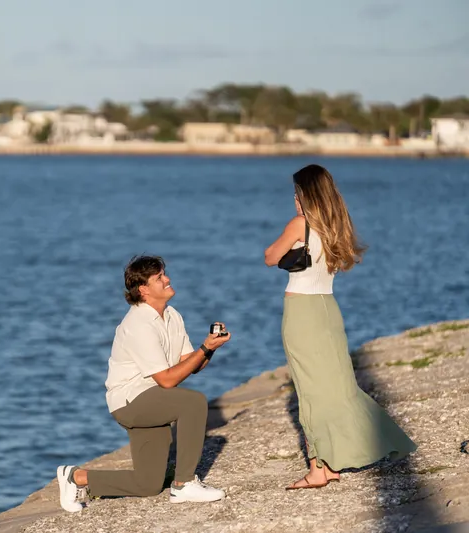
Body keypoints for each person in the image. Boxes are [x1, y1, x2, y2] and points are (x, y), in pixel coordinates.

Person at [264, 163, 417, 490]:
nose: (294, 199)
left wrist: (295, 225)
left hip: (302, 311)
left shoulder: (300, 224)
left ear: (304, 195)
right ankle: (339, 457)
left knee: (309, 389)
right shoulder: (336, 226)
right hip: (328, 310)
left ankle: (318, 469)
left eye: (297, 193)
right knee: (338, 386)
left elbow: (269, 256)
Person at [56, 255, 231, 512]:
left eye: (165, 274)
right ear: (144, 290)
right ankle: (183, 485)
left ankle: (76, 478)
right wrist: (205, 347)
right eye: (159, 277)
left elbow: (191, 365)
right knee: (193, 402)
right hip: (129, 401)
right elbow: (168, 380)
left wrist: (210, 347)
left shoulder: (172, 316)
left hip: (154, 398)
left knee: (147, 484)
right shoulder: (138, 324)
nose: (167, 279)